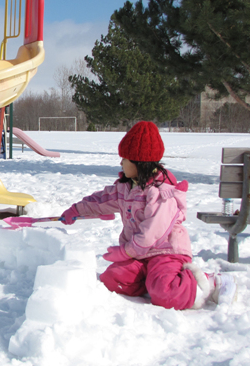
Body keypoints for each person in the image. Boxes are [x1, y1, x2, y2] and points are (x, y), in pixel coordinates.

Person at [60, 121, 236, 309]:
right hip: (140, 255)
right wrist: (76, 210)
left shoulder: (161, 193)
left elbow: (152, 233)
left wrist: (125, 251)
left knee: (167, 294)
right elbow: (102, 200)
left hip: (165, 252)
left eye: (124, 159)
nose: (120, 163)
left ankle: (212, 282)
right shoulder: (126, 187)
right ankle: (154, 281)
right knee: (112, 280)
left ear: (139, 162)